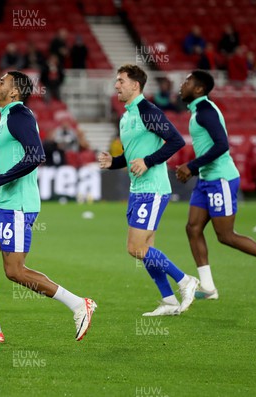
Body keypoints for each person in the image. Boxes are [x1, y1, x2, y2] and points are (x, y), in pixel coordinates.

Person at [0, 70, 96, 342]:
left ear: (14, 92)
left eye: (2, 82)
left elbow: (36, 155)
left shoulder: (20, 116)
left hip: (18, 206)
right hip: (2, 203)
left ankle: (79, 304)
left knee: (15, 270)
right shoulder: (7, 117)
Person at [176, 70, 256, 300]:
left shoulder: (206, 111)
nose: (182, 85)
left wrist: (191, 166)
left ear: (199, 89)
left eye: (187, 82)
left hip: (220, 179)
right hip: (206, 179)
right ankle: (208, 287)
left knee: (226, 235)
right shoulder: (199, 110)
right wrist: (196, 169)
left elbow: (222, 145)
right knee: (193, 228)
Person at [98, 64, 199, 316]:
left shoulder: (147, 111)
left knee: (135, 248)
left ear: (135, 85)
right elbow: (132, 155)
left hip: (153, 189)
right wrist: (114, 162)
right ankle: (169, 301)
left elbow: (176, 140)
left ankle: (185, 280)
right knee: (146, 250)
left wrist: (149, 161)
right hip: (138, 189)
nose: (116, 85)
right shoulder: (125, 116)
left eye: (121, 81)